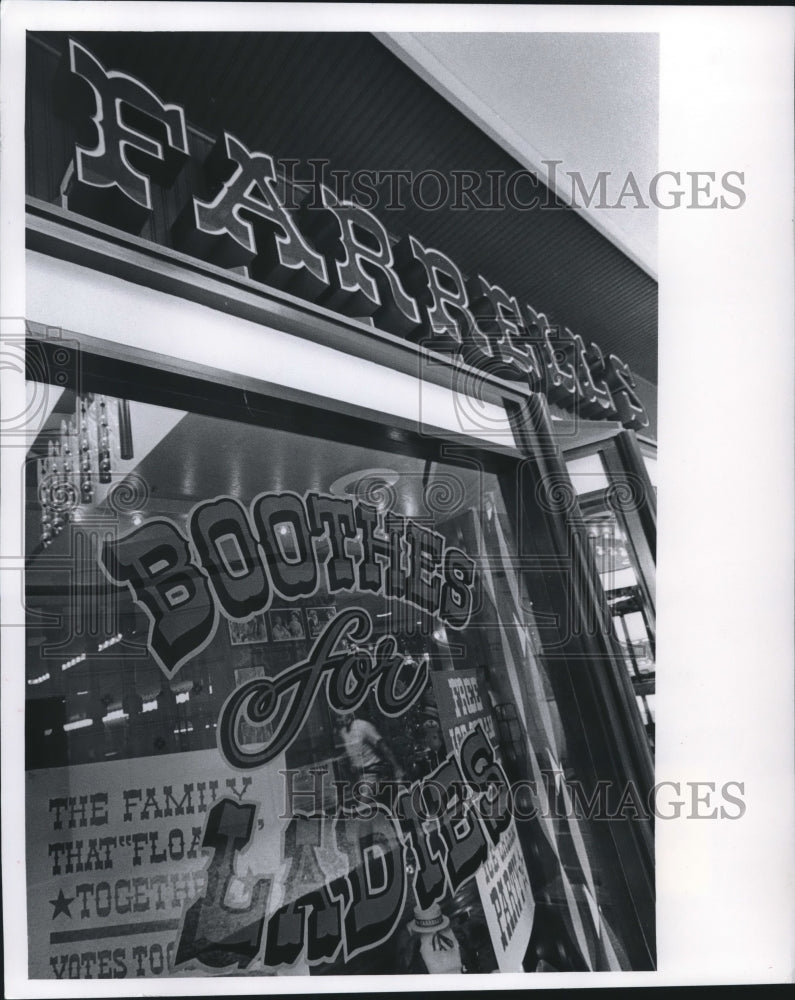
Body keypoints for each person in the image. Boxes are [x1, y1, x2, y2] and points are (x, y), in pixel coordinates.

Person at [334, 712, 404, 795]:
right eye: (337, 718)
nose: (339, 720)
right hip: (359, 776)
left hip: (373, 772)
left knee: (363, 805)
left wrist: (397, 767)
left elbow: (383, 746)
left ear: (349, 713)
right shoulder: (343, 732)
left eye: (340, 716)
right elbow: (354, 749)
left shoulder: (363, 726)